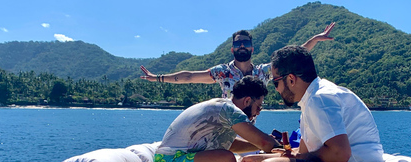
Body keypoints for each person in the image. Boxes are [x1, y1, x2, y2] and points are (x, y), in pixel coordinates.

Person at [238, 45, 385, 162]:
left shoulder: (319, 99)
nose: (277, 90)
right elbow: (303, 153)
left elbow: (340, 153)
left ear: (291, 79)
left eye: (276, 82)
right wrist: (259, 159)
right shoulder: (313, 98)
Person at [140, 24, 335, 98]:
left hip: (250, 133)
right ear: (233, 48)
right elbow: (189, 76)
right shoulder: (222, 72)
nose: (242, 46)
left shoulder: (263, 72)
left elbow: (292, 57)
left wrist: (314, 40)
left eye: (246, 43)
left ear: (252, 48)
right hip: (226, 129)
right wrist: (158, 78)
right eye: (238, 43)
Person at [153, 76, 278, 162]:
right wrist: (284, 153)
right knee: (227, 159)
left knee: (227, 157)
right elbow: (264, 142)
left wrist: (257, 144)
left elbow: (231, 144)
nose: (258, 112)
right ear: (247, 101)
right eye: (259, 107)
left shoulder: (224, 108)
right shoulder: (230, 111)